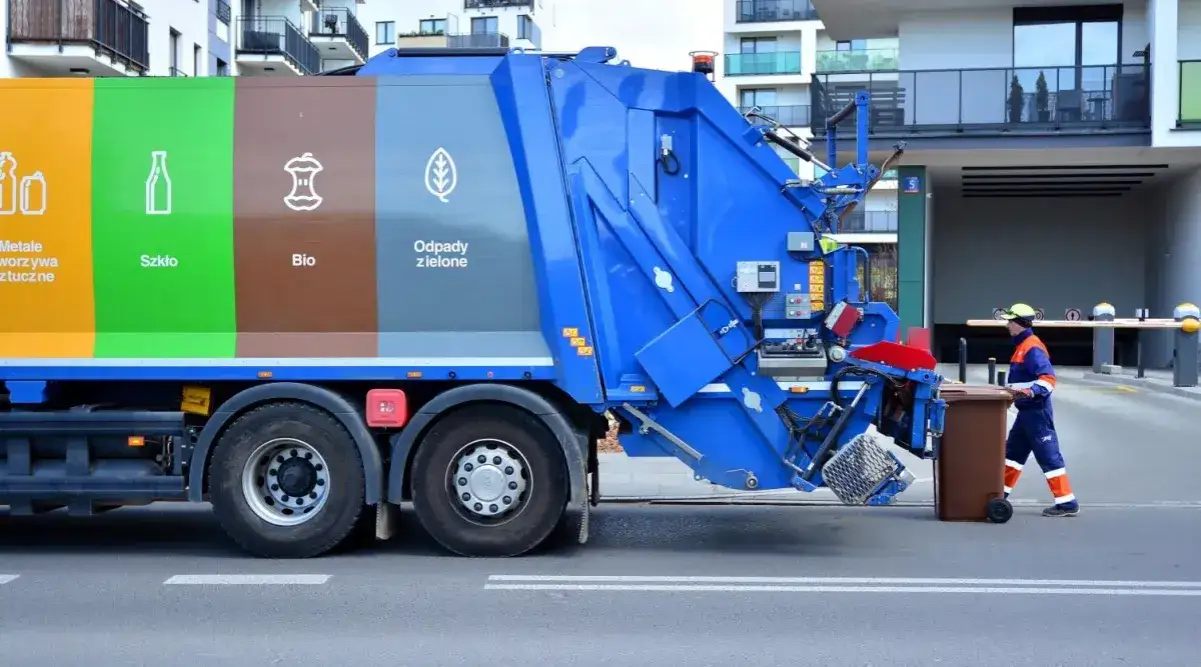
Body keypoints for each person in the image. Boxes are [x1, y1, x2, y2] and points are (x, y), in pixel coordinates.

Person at [1000, 303, 1079, 517]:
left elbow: (1048, 379)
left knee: (1049, 456)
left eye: (1010, 321)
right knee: (1012, 455)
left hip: (1036, 413)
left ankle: (1067, 502)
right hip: (1026, 413)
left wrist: (1030, 392)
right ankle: (999, 495)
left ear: (1019, 323)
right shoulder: (1023, 345)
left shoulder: (1032, 347)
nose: (1007, 325)